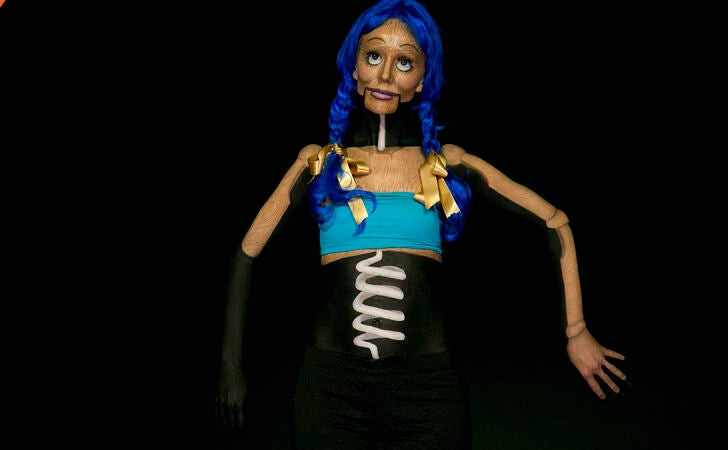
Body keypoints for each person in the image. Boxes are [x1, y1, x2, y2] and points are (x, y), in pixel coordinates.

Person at [214, 0, 628, 447]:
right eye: (374, 55)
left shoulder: (446, 165)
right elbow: (246, 254)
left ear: (423, 79)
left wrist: (576, 330)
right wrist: (230, 366)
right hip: (331, 388)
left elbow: (555, 221)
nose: (385, 75)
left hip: (427, 389)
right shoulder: (318, 164)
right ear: (354, 67)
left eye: (405, 62)